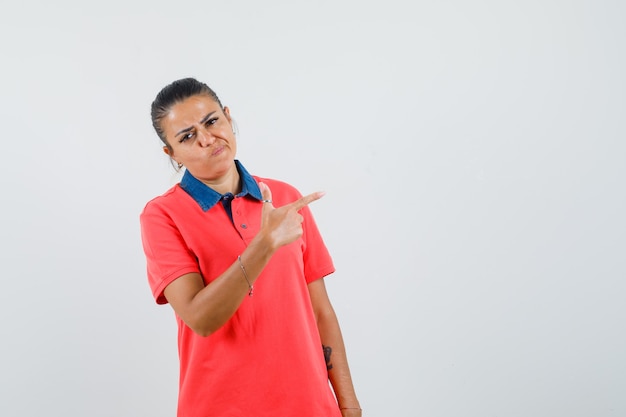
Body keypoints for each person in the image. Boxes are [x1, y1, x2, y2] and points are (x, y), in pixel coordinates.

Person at [140, 77, 361, 417]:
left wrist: (348, 404)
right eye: (187, 136)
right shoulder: (162, 216)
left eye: (212, 121)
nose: (206, 138)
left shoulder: (286, 198)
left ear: (228, 117)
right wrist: (264, 244)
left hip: (309, 406)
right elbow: (201, 318)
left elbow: (321, 313)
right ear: (172, 153)